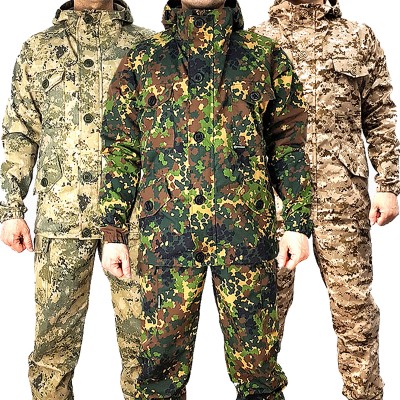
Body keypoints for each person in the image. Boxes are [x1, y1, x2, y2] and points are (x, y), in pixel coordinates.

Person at [99, 0, 313, 398]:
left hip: (247, 237)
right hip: (166, 240)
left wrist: (298, 224)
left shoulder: (264, 57)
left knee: (260, 377)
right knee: (158, 379)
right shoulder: (143, 60)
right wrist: (113, 231)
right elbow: (120, 151)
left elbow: (289, 147)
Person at [0, 1, 153, 398]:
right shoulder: (38, 49)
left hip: (137, 223)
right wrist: (11, 208)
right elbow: (21, 132)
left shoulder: (147, 48)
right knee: (52, 354)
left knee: (149, 354)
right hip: (61, 219)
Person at [254, 1, 399, 399]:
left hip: (343, 197)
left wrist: (389, 182)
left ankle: (364, 395)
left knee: (355, 311)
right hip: (274, 199)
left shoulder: (357, 36)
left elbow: (380, 113)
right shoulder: (257, 41)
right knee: (262, 313)